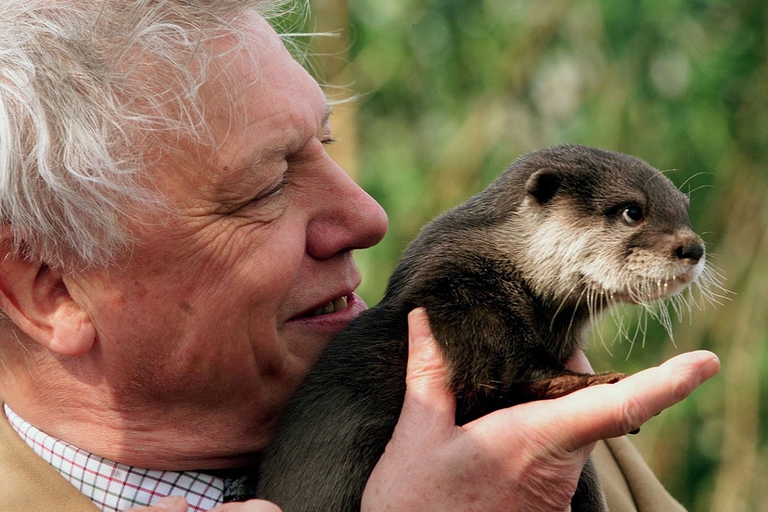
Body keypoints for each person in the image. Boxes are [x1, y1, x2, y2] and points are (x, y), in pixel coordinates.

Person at [0, 1, 719, 511]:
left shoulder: (552, 436)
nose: (367, 217)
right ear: (51, 291)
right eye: (266, 185)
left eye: (326, 145)